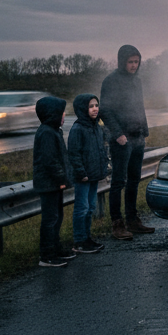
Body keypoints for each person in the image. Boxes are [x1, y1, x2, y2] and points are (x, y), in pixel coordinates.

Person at [100, 44, 155, 239]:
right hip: (122, 140)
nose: (133, 65)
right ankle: (117, 224)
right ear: (122, 61)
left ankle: (133, 220)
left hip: (138, 136)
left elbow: (139, 107)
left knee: (134, 181)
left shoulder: (136, 81)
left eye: (136, 62)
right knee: (118, 182)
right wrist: (117, 134)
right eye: (130, 62)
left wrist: (144, 131)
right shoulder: (111, 81)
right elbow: (104, 110)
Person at [32, 96, 76, 266]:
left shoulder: (55, 131)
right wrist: (61, 179)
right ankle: (47, 255)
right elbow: (50, 161)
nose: (64, 116)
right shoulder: (47, 133)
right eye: (62, 113)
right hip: (49, 183)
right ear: (53, 114)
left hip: (54, 183)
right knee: (50, 219)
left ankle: (56, 249)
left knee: (57, 217)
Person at [68, 94, 107, 253]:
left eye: (96, 105)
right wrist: (81, 172)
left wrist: (103, 168)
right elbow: (74, 154)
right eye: (91, 106)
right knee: (82, 208)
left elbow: (101, 149)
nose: (95, 109)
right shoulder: (78, 128)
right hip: (83, 176)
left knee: (91, 207)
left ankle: (87, 237)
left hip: (94, 175)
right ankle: (79, 241)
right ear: (83, 109)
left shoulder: (97, 126)